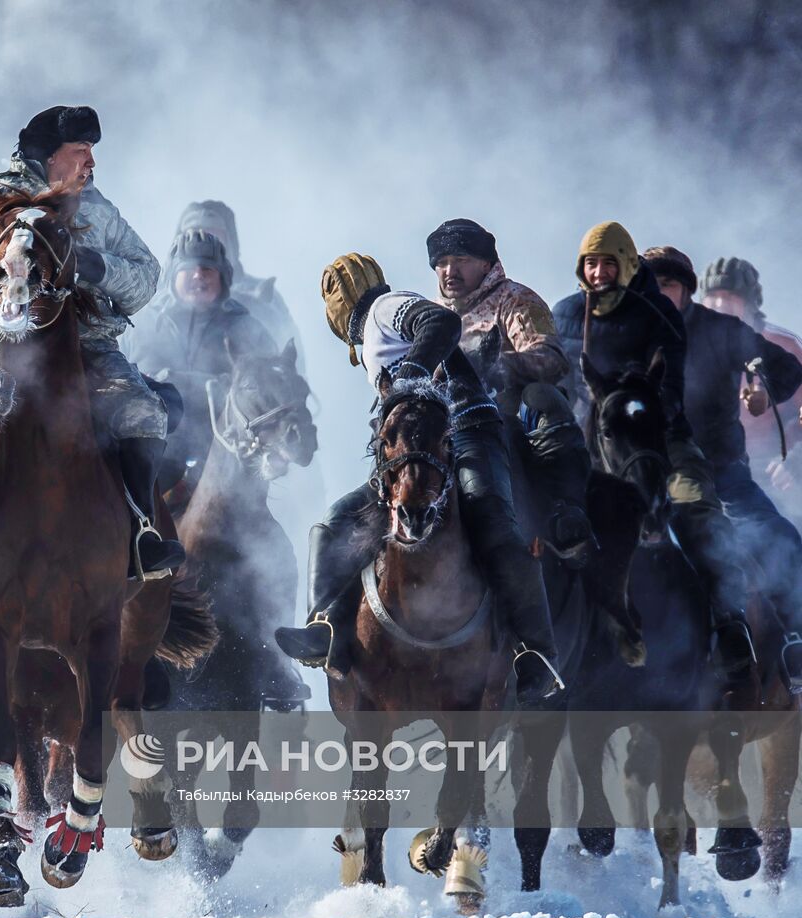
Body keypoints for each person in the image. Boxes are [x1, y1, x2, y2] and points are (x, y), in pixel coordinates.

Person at [0, 104, 178, 710]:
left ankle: (141, 532)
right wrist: (5, 246)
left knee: (143, 412)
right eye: (80, 152)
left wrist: (92, 264)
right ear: (49, 153)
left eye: (91, 152)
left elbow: (147, 273)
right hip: (6, 345)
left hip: (87, 350)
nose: (90, 163)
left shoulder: (99, 210)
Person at [274, 254, 564, 707]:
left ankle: (537, 653)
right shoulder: (375, 332)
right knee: (338, 522)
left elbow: (443, 324)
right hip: (417, 441)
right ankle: (325, 627)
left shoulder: (385, 310)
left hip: (467, 429)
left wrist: (410, 373)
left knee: (490, 517)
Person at [552, 222, 757, 686]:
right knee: (545, 513)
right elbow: (554, 377)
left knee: (697, 509)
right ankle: (530, 646)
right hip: (588, 434)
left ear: (626, 265)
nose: (599, 272)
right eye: (591, 263)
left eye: (609, 263)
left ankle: (730, 624)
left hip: (655, 435)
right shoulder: (564, 314)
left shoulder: (658, 314)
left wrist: (633, 400)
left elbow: (672, 388)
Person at [645, 246, 802, 691]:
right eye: (648, 286)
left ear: (686, 291)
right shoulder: (623, 332)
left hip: (721, 475)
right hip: (640, 477)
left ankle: (795, 642)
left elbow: (787, 370)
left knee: (782, 540)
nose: (657, 294)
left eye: (668, 285)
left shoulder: (723, 331)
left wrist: (764, 394)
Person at [426, 218, 593, 566]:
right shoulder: (429, 317)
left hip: (508, 415)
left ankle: (566, 509)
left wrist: (499, 366)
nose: (449, 271)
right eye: (441, 263)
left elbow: (552, 358)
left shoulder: (516, 299)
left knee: (544, 398)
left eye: (461, 260)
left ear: (486, 264)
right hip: (447, 425)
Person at [129, 229, 276, 491]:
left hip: (225, 456)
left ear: (223, 277)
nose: (198, 275)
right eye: (189, 268)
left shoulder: (248, 330)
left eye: (208, 269)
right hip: (149, 451)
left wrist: (190, 383)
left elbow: (271, 390)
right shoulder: (138, 323)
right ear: (173, 275)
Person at [700, 257, 802, 523]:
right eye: (714, 297)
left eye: (731, 297)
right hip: (709, 472)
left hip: (774, 473)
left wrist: (795, 461)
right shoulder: (687, 345)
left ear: (751, 305)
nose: (721, 305)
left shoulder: (783, 348)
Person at [150, 200, 301, 362]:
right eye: (194, 237)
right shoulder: (150, 305)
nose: (204, 243)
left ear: (230, 243)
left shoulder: (263, 299)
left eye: (213, 237)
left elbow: (289, 362)